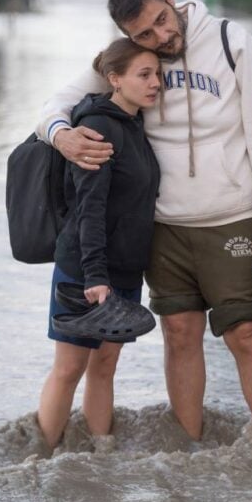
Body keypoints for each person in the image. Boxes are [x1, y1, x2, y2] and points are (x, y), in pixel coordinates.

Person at [37, 0, 252, 453]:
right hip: (163, 226)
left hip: (234, 215)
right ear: (128, 39)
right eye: (144, 35)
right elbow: (56, 104)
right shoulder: (134, 60)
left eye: (162, 20)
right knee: (179, 334)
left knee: (247, 333)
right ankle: (189, 454)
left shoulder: (229, 40)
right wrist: (61, 135)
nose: (160, 38)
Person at [37, 38, 161, 449]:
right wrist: (95, 276)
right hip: (86, 270)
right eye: (144, 75)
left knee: (104, 367)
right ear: (114, 79)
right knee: (69, 369)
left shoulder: (135, 125)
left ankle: (101, 459)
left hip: (124, 270)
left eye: (157, 74)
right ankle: (39, 461)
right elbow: (89, 209)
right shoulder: (99, 129)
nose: (155, 82)